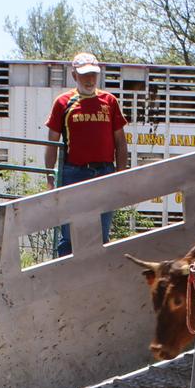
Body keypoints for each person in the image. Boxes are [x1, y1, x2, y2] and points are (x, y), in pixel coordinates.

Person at [44, 52, 129, 258]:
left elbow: (120, 141)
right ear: (74, 75)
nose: (90, 80)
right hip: (73, 173)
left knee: (101, 233)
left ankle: (98, 284)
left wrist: (120, 175)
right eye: (84, 75)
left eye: (93, 74)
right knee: (70, 235)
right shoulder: (63, 103)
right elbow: (51, 142)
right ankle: (65, 281)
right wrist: (49, 177)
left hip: (104, 172)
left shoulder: (109, 101)